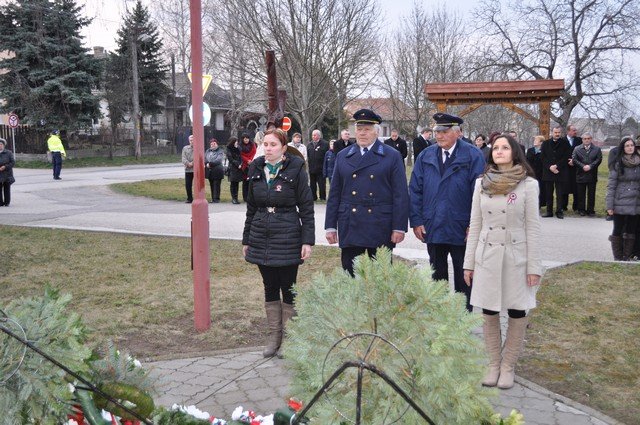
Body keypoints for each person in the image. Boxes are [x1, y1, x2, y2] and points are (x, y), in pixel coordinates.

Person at [463, 134, 542, 390]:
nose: (499, 151)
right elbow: (475, 224)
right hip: (487, 255)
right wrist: (469, 263)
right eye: (495, 147)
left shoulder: (528, 185)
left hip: (516, 257)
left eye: (505, 147)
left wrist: (534, 267)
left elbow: (533, 228)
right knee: (489, 311)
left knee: (517, 310)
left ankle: (508, 366)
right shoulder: (481, 183)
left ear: (515, 152)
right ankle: (493, 364)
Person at [242, 128, 315, 358]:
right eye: (265, 144)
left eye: (273, 144)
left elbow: (306, 207)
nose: (268, 148)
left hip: (288, 236)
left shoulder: (296, 168)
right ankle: (274, 337)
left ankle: (290, 338)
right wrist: (247, 238)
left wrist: (307, 241)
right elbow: (251, 207)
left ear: (284, 148)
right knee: (270, 286)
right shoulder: (256, 168)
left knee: (288, 287)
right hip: (261, 235)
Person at [409, 112, 485, 312]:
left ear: (458, 133)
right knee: (437, 275)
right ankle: (439, 315)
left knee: (464, 274)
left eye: (444, 131)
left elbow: (480, 194)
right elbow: (415, 189)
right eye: (437, 132)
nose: (439, 136)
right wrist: (416, 221)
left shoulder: (472, 155)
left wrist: (473, 225)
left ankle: (462, 317)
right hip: (433, 225)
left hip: (461, 227)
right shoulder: (426, 155)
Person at [325, 108, 409, 277]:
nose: (362, 133)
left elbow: (400, 194)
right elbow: (334, 193)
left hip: (379, 223)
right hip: (351, 222)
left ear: (377, 132)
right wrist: (330, 226)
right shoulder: (343, 156)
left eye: (367, 129)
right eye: (359, 129)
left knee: (380, 277)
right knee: (350, 275)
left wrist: (399, 227)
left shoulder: (392, 156)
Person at [606, 137, 640, 261]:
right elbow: (611, 186)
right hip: (620, 201)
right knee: (618, 229)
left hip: (635, 202)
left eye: (632, 145)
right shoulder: (617, 163)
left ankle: (626, 256)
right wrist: (609, 206)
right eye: (627, 146)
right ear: (623, 148)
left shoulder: (638, 163)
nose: (630, 148)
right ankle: (618, 257)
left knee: (631, 231)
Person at [540, 127, 571, 219]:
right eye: (555, 132)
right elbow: (543, 157)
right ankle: (549, 211)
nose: (557, 134)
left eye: (559, 132)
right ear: (552, 132)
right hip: (548, 171)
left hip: (560, 171)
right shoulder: (545, 143)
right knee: (548, 193)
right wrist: (550, 167)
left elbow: (566, 157)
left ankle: (559, 211)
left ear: (561, 133)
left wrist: (557, 166)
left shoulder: (565, 143)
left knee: (560, 193)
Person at [572, 133, 602, 216]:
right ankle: (581, 210)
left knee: (591, 194)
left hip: (592, 174)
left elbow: (599, 159)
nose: (587, 140)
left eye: (588, 138)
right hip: (580, 174)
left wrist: (590, 166)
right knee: (581, 194)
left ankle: (590, 210)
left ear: (591, 139)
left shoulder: (597, 149)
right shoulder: (577, 149)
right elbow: (574, 159)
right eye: (585, 138)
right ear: (582, 140)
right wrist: (583, 166)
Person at [560, 124, 582, 211]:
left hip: (576, 168)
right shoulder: (562, 141)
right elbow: (559, 154)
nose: (575, 132)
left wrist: (574, 161)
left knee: (576, 188)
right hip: (564, 168)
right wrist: (567, 161)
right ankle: (563, 206)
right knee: (564, 187)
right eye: (573, 130)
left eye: (576, 130)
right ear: (568, 131)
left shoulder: (579, 140)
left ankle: (576, 207)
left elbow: (581, 153)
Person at [307, 129, 329, 201]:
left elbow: (327, 156)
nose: (313, 136)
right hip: (312, 168)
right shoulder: (309, 145)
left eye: (315, 135)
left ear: (319, 136)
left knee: (322, 184)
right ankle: (313, 197)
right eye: (312, 135)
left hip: (321, 168)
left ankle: (322, 197)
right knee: (312, 185)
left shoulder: (325, 144)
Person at [526, 135, 547, 208]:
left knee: (541, 188)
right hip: (532, 172)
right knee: (532, 189)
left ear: (541, 142)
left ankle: (540, 204)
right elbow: (527, 160)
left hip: (541, 173)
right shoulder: (530, 150)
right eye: (534, 140)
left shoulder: (544, 150)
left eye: (536, 140)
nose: (534, 141)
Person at [205, 138, 225, 203]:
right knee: (211, 185)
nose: (213, 145)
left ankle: (216, 198)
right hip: (210, 171)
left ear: (217, 144)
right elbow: (205, 158)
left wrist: (210, 164)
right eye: (211, 144)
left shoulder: (220, 151)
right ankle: (213, 198)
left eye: (214, 144)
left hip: (217, 170)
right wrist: (206, 163)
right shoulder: (208, 151)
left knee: (216, 185)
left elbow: (219, 160)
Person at [240, 133, 257, 202]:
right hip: (244, 165)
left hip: (252, 164)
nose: (246, 140)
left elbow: (254, 152)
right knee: (245, 182)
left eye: (247, 138)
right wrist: (247, 160)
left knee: (251, 181)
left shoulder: (252, 145)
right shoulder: (240, 146)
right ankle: (245, 197)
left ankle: (250, 197)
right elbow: (241, 154)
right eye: (245, 139)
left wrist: (251, 160)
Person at [226, 137, 243, 204]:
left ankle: (236, 198)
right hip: (233, 167)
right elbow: (230, 158)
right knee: (233, 183)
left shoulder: (238, 148)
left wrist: (240, 164)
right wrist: (237, 164)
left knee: (237, 183)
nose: (237, 142)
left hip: (238, 168)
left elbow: (241, 156)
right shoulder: (229, 148)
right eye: (236, 141)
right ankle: (233, 198)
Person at [0, 138, 15, 206]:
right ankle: (0, 202)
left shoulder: (9, 153)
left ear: (4, 145)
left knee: (7, 188)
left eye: (1, 144)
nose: (0, 146)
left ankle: (7, 202)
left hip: (7, 173)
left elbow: (12, 162)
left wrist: (5, 167)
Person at [181, 135, 195, 203]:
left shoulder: (198, 147)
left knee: (197, 185)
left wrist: (192, 163)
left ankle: (197, 197)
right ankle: (189, 198)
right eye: (190, 140)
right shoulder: (185, 148)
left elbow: (199, 156)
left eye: (193, 140)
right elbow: (183, 158)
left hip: (196, 170)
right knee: (188, 185)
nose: (192, 141)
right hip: (188, 169)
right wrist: (188, 163)